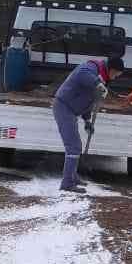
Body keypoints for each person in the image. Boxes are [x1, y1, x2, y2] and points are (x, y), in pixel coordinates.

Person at [52, 55, 124, 193]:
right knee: (73, 146)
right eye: (116, 74)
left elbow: (89, 100)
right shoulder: (93, 67)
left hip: (72, 110)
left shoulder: (103, 78)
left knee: (76, 146)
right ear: (111, 69)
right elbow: (81, 74)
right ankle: (66, 184)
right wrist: (97, 83)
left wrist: (87, 120)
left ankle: (73, 177)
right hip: (63, 106)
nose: (115, 78)